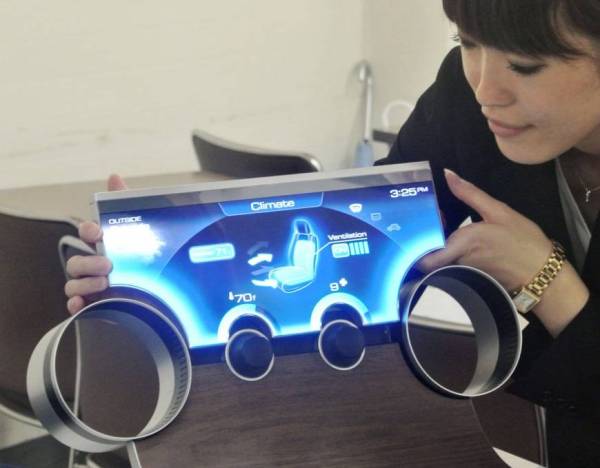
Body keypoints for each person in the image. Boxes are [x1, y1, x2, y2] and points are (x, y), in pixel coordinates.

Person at [65, 0, 600, 465]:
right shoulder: (467, 99)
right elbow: (367, 235)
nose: (485, 89)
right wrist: (156, 262)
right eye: (467, 43)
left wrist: (545, 278)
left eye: (525, 66)